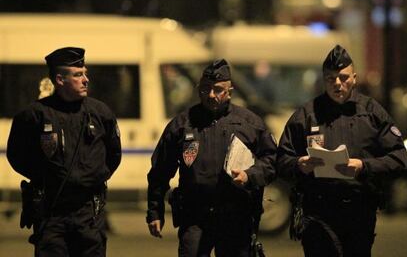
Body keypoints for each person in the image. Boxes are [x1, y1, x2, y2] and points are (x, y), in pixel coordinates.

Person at [276, 44, 407, 257]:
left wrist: (363, 166)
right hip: (318, 211)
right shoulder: (306, 115)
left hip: (359, 210)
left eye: (344, 78)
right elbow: (281, 160)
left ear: (354, 78)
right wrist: (299, 164)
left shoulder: (372, 113)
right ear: (323, 80)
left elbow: (399, 158)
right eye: (330, 78)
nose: (337, 83)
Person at [146, 59, 277, 257]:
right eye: (205, 89)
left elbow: (271, 160)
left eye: (218, 90)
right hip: (195, 216)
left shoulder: (250, 124)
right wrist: (155, 211)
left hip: (236, 216)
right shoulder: (183, 124)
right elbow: (160, 170)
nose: (211, 95)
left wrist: (250, 175)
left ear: (230, 91)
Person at [7, 47, 122, 257]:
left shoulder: (100, 113)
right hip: (52, 213)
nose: (86, 79)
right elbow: (16, 156)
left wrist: (91, 178)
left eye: (85, 73)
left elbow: (114, 155)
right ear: (60, 80)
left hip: (89, 213)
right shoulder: (34, 116)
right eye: (78, 75)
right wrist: (45, 177)